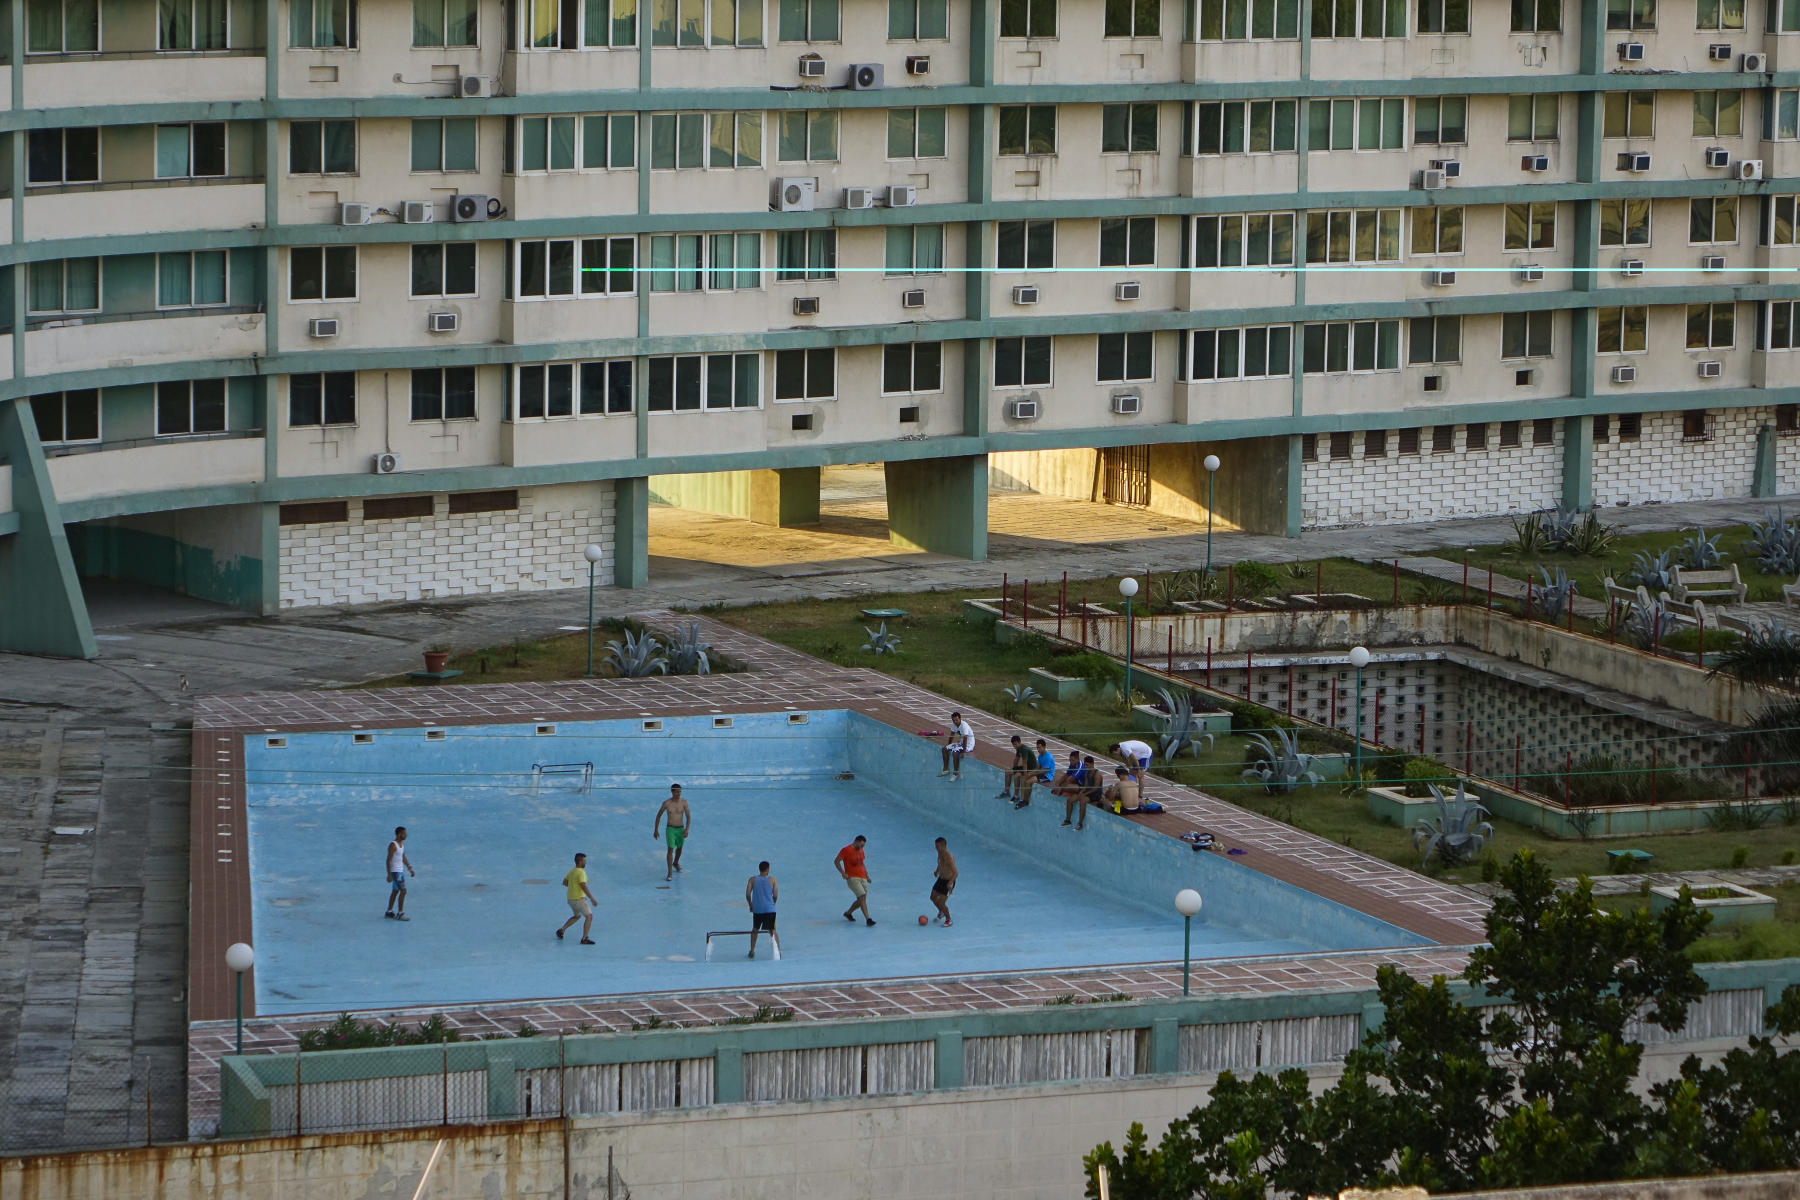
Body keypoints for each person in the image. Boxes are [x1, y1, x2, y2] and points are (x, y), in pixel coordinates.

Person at [652, 783, 692, 881]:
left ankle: (676, 863)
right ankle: (669, 872)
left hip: (680, 829)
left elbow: (688, 817)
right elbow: (658, 816)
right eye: (677, 792)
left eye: (680, 792)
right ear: (672, 792)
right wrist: (656, 829)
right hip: (670, 829)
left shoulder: (684, 802)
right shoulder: (667, 803)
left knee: (679, 848)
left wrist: (687, 829)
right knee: (670, 849)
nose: (679, 794)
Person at [556, 852, 598, 944]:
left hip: (571, 900)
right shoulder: (581, 872)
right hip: (579, 899)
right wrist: (591, 898)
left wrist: (573, 887)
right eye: (584, 861)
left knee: (577, 916)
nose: (585, 863)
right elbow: (583, 885)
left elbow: (564, 882)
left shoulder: (572, 871)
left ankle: (561, 930)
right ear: (580, 862)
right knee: (589, 916)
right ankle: (584, 939)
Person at [835, 834, 875, 926]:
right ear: (856, 841)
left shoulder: (861, 850)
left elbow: (862, 863)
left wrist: (867, 876)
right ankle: (868, 919)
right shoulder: (846, 850)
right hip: (852, 878)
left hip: (862, 877)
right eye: (861, 845)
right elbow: (836, 861)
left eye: (863, 846)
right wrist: (843, 873)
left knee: (862, 899)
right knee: (862, 896)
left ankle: (848, 913)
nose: (862, 847)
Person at [746, 861, 780, 958]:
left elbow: (748, 894)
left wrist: (750, 905)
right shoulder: (773, 880)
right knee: (772, 930)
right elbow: (776, 895)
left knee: (755, 930)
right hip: (769, 909)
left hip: (757, 909)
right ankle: (778, 951)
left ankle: (752, 951)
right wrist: (772, 903)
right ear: (767, 869)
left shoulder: (752, 880)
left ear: (759, 869)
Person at [1014, 738, 1057, 809]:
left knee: (1028, 782)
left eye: (1039, 747)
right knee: (1025, 777)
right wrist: (1031, 773)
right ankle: (1021, 798)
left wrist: (1033, 774)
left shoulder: (1048, 757)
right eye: (1037, 748)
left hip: (1047, 776)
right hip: (1041, 773)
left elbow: (1044, 771)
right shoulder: (1040, 756)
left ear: (1044, 747)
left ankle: (1025, 801)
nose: (1038, 749)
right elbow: (1038, 768)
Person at [384, 826, 415, 921]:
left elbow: (403, 857)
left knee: (395, 891)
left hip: (400, 872)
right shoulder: (393, 845)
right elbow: (388, 860)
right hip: (395, 872)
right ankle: (400, 913)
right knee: (403, 891)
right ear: (399, 834)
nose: (406, 835)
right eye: (404, 833)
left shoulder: (401, 844)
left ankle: (389, 911)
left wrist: (409, 867)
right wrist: (389, 874)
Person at [1053, 752, 1090, 829]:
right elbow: (1066, 774)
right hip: (1078, 787)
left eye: (1072, 760)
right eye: (1069, 760)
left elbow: (1070, 779)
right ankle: (1067, 820)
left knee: (1069, 786)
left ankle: (1080, 824)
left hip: (1083, 788)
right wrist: (1058, 782)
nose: (1070, 762)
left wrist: (1061, 787)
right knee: (1069, 801)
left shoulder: (1080, 767)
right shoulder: (1072, 765)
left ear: (1077, 759)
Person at [930, 837, 958, 926]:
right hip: (941, 879)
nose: (936, 848)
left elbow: (956, 873)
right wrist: (937, 871)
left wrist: (950, 883)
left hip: (948, 881)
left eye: (938, 846)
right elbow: (940, 863)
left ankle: (949, 919)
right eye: (936, 846)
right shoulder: (939, 853)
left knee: (941, 903)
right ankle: (941, 912)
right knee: (933, 897)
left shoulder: (949, 857)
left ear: (943, 846)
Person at [939, 712, 975, 780]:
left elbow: (965, 739)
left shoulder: (964, 726)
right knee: (944, 749)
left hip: (968, 745)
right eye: (953, 720)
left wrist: (963, 752)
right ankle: (945, 769)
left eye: (956, 720)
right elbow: (952, 735)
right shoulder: (954, 725)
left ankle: (955, 773)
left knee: (955, 753)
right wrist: (949, 745)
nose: (955, 722)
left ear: (960, 718)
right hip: (961, 743)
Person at [998, 734, 1033, 802]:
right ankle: (1006, 792)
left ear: (1019, 742)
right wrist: (1014, 770)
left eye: (1015, 744)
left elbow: (1025, 764)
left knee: (1017, 775)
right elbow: (1016, 760)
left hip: (1030, 768)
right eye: (1013, 745)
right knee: (1008, 772)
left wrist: (1025, 775)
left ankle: (1016, 796)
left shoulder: (1024, 750)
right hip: (1024, 767)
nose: (1014, 746)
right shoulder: (1018, 749)